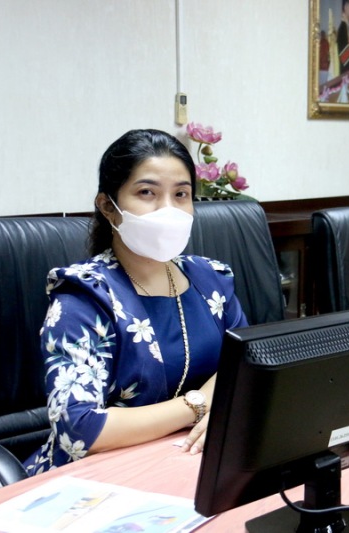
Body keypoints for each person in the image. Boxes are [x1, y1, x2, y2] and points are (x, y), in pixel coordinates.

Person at [23, 129, 248, 475]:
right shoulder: (86, 295)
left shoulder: (212, 279)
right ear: (108, 207)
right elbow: (80, 428)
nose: (168, 209)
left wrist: (216, 398)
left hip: (195, 460)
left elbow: (247, 363)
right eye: (147, 193)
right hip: (97, 477)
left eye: (181, 194)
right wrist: (198, 404)